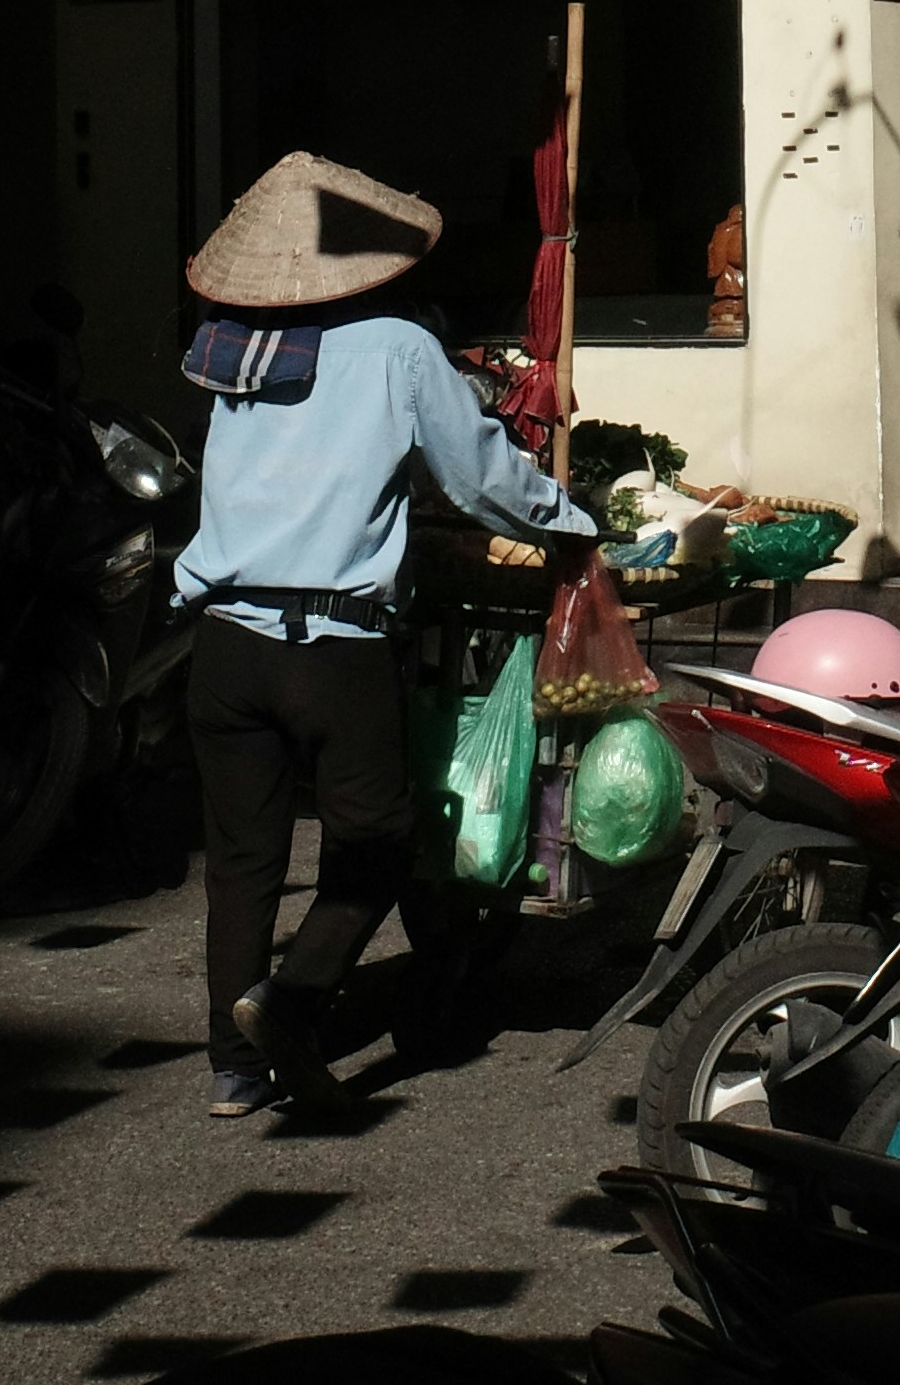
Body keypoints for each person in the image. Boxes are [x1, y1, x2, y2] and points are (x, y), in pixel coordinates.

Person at [173, 147, 593, 1117]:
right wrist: (572, 524)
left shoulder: (232, 345)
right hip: (333, 648)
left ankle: (232, 1073)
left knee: (241, 864)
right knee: (377, 843)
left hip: (225, 646)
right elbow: (482, 478)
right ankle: (288, 1002)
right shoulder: (398, 347)